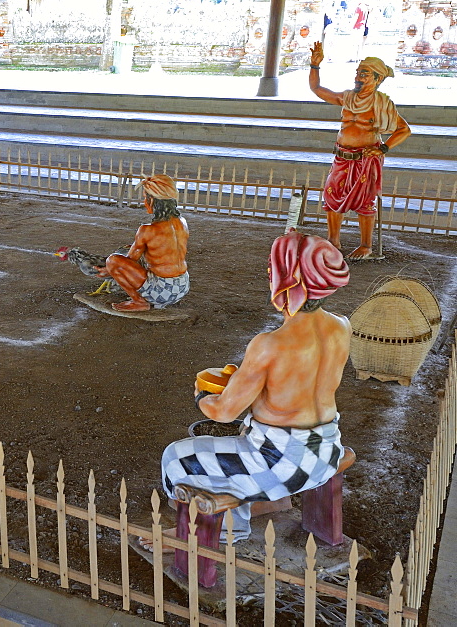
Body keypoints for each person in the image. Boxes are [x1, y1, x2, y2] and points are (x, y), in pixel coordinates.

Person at [159, 230, 351, 543]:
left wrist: (202, 396)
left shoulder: (270, 344)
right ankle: (252, 511)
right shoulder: (342, 326)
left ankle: (218, 533)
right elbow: (296, 386)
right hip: (327, 451)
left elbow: (223, 412)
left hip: (282, 462)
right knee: (234, 449)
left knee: (176, 457)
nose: (268, 273)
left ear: (289, 279)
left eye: (273, 268)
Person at [309, 43, 411, 260]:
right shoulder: (347, 98)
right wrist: (315, 65)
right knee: (331, 194)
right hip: (341, 157)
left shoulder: (381, 103)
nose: (358, 77)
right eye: (357, 73)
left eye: (363, 74)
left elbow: (404, 130)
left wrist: (383, 148)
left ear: (377, 79)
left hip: (366, 160)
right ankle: (333, 241)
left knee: (365, 201)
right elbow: (317, 90)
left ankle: (366, 246)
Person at [96, 174, 190, 312]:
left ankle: (139, 302)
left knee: (113, 260)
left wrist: (108, 269)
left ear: (152, 201)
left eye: (146, 197)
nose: (144, 201)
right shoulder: (182, 223)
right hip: (183, 286)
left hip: (162, 291)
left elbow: (129, 260)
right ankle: (147, 298)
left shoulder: (147, 230)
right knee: (130, 251)